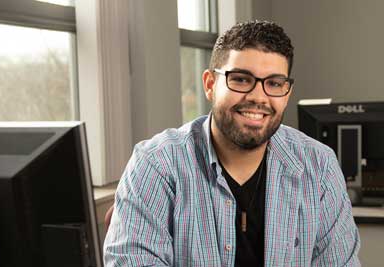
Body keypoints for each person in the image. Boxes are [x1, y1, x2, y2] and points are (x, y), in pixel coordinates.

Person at [103, 20, 360, 266]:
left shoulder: (319, 166)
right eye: (240, 79)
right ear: (210, 84)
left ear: (287, 93)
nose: (258, 97)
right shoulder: (156, 164)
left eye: (274, 83)